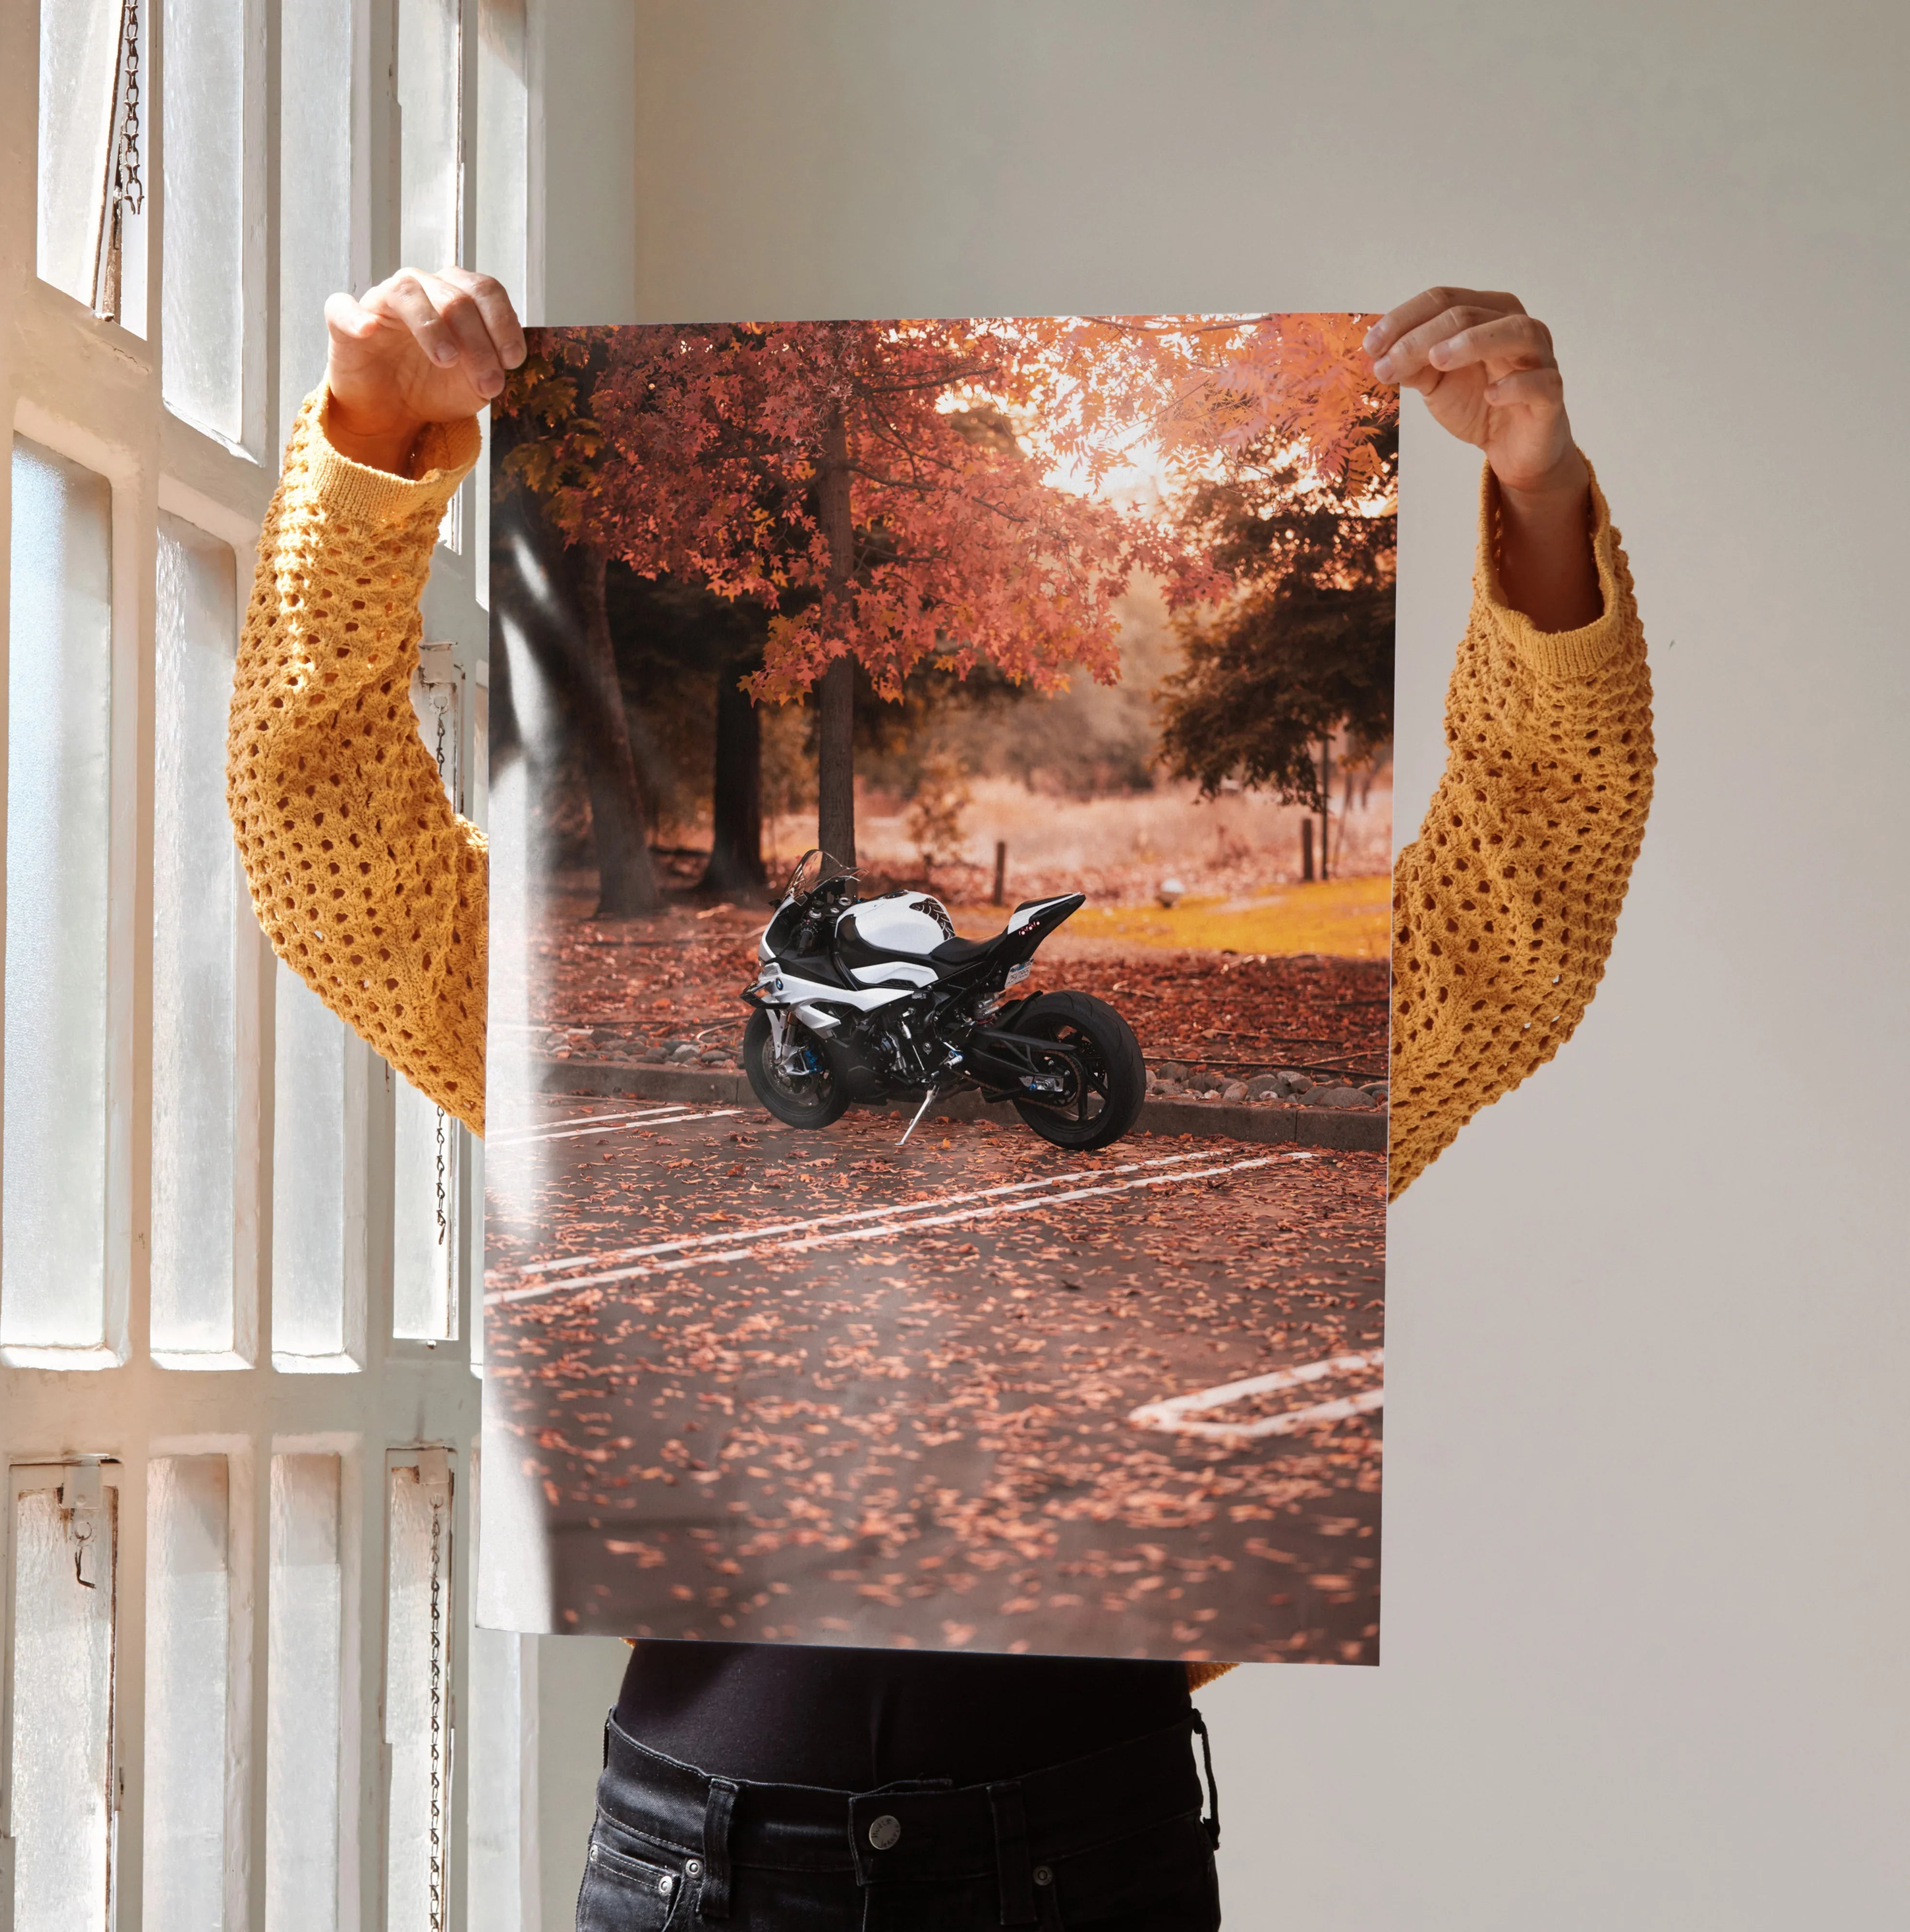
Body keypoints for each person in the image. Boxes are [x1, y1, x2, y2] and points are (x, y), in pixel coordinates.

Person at [228, 273, 1653, 1930]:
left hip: (1082, 1853)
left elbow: (1522, 916)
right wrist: (372, 445)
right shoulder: (657, 1056)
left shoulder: (1163, 1089)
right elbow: (325, 845)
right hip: (707, 1868)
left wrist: (1537, 497)